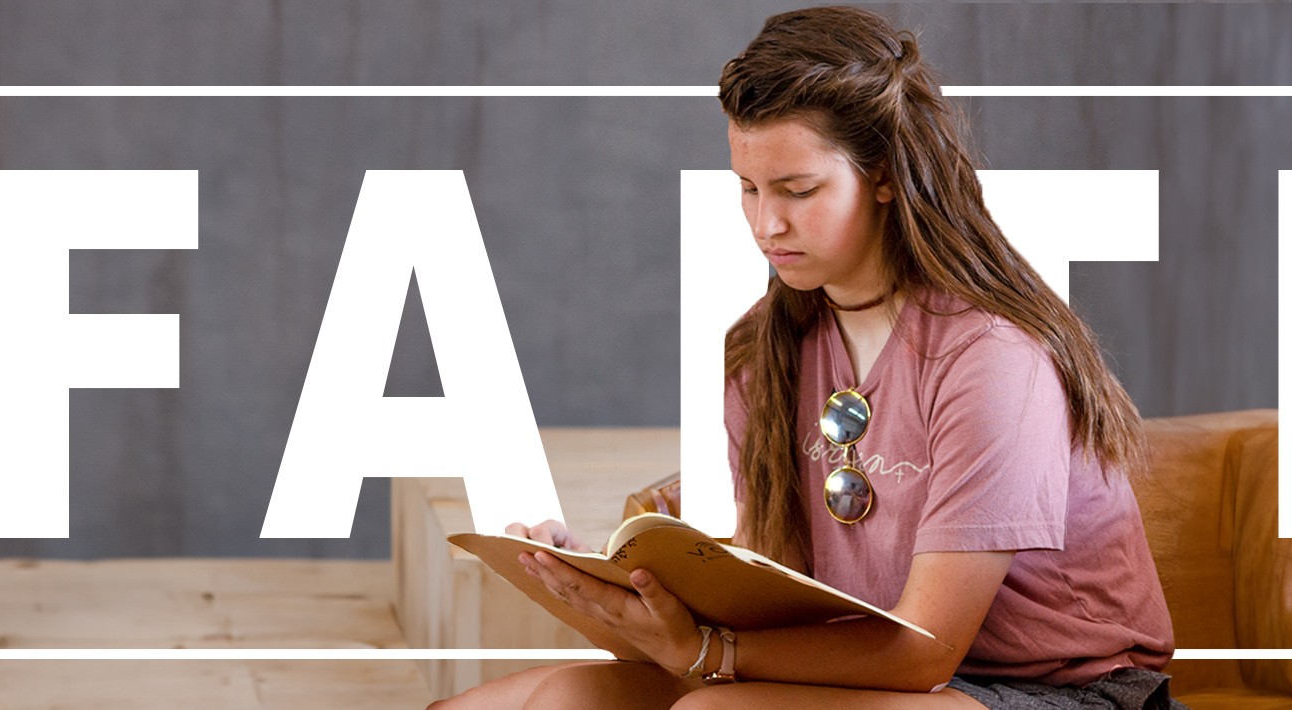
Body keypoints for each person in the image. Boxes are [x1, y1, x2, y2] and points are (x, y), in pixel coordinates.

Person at [430, 6, 1180, 709]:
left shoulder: (990, 359)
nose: (765, 222)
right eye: (748, 188)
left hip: (1059, 690)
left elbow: (925, 654)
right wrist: (601, 592)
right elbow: (775, 601)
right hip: (869, 668)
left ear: (885, 175)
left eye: (797, 189)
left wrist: (707, 653)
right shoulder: (764, 347)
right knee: (521, 703)